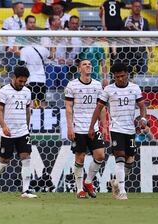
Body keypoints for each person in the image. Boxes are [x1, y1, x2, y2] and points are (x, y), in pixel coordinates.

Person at [88, 62, 147, 200]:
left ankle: (116, 182)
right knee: (119, 158)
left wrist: (143, 118)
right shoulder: (108, 89)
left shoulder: (135, 88)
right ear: (113, 76)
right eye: (117, 76)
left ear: (127, 74)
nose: (120, 79)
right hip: (116, 129)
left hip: (130, 130)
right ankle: (122, 191)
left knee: (130, 161)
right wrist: (92, 126)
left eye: (122, 76)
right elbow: (98, 108)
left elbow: (142, 106)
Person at [0, 66, 37, 199]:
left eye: (24, 82)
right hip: (7, 132)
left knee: (26, 158)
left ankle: (25, 190)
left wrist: (27, 127)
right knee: (4, 161)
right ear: (14, 77)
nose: (22, 84)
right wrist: (3, 126)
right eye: (20, 81)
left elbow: (27, 110)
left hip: (22, 131)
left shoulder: (27, 91)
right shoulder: (4, 91)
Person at [65, 59, 107, 199]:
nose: (88, 66)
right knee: (80, 158)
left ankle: (88, 181)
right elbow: (69, 108)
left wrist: (104, 125)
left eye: (89, 64)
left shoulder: (97, 85)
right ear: (79, 69)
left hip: (93, 128)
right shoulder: (72, 85)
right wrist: (70, 127)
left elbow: (100, 107)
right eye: (84, 64)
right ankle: (79, 190)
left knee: (100, 155)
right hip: (78, 128)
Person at [20, 42, 49, 108]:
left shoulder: (24, 50)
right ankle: (43, 117)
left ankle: (31, 117)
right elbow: (51, 56)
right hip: (42, 78)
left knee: (31, 102)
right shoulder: (43, 49)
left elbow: (22, 63)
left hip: (31, 78)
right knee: (42, 101)